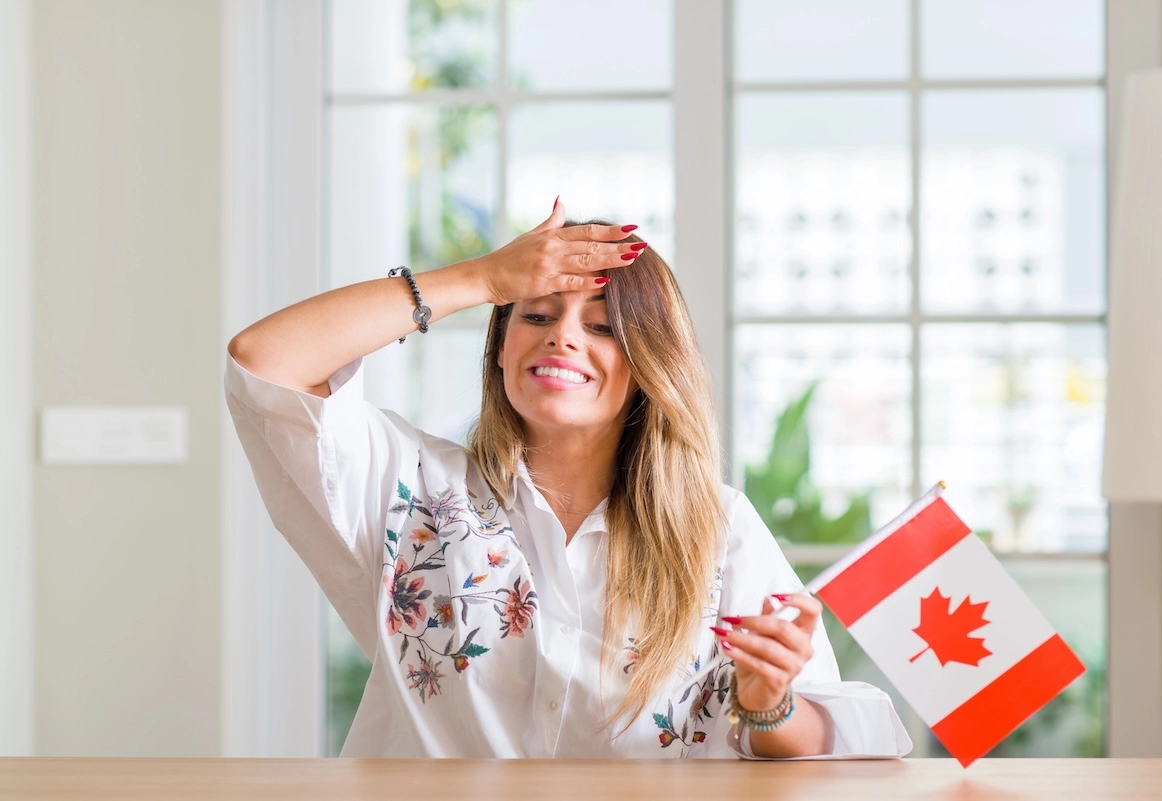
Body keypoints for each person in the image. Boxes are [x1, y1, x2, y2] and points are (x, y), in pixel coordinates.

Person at [225, 199, 912, 759]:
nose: (564, 339)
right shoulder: (414, 488)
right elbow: (265, 361)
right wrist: (483, 280)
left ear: (647, 366)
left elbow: (834, 736)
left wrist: (771, 704)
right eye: (538, 313)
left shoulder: (716, 528)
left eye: (604, 327)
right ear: (499, 350)